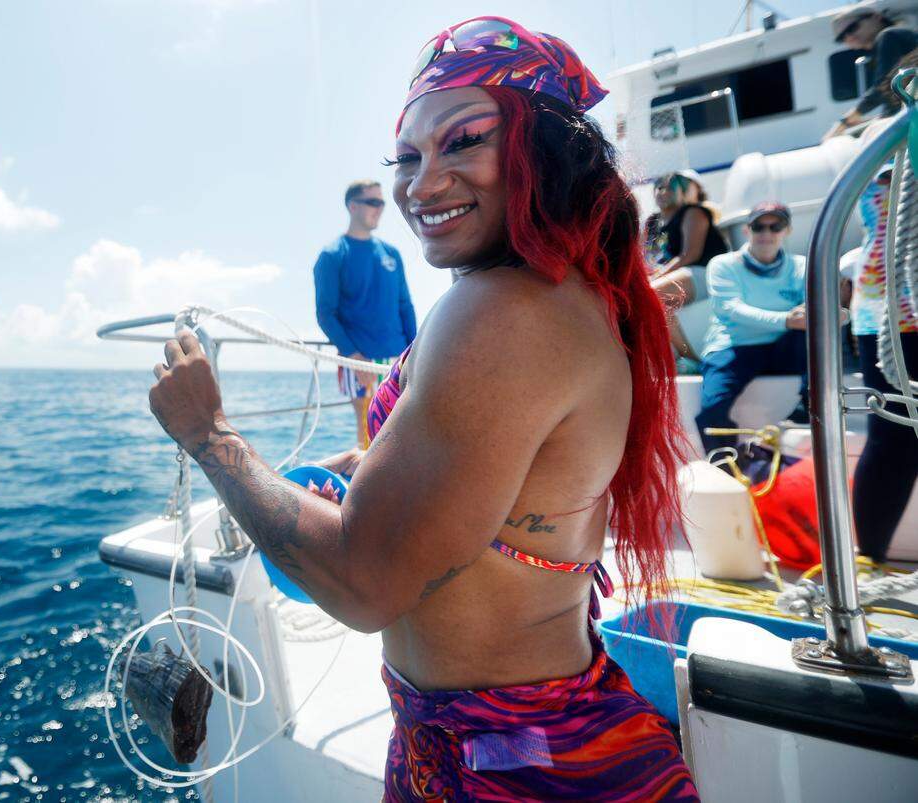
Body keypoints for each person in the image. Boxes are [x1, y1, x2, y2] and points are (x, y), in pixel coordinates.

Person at [149, 16, 697, 801]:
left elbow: (364, 583)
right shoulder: (556, 295)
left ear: (541, 149)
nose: (421, 183)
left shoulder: (503, 313)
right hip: (524, 732)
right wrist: (374, 462)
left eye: (463, 142)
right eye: (407, 157)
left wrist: (208, 434)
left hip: (510, 764)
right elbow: (501, 475)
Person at [848, 137, 918, 564]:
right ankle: (869, 559)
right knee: (894, 439)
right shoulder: (892, 133)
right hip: (895, 312)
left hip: (890, 309)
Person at [695, 202, 810, 454]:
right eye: (759, 226)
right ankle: (726, 467)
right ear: (747, 230)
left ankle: (808, 410)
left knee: (812, 336)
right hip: (733, 347)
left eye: (775, 226)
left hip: (785, 347)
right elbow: (731, 309)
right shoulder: (722, 264)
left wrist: (830, 313)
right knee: (711, 412)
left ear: (787, 230)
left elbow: (820, 310)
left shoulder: (802, 266)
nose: (766, 233)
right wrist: (787, 320)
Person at [314, 180, 417, 448]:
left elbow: (405, 306)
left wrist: (415, 352)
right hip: (359, 361)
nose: (380, 208)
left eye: (381, 202)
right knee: (370, 438)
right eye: (373, 202)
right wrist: (353, 356)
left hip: (399, 359)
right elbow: (325, 313)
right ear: (353, 206)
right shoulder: (332, 255)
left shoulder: (391, 253)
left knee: (406, 431)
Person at [649, 171, 729, 362]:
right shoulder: (652, 222)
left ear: (683, 192)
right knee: (645, 300)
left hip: (705, 272)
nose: (662, 192)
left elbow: (689, 255)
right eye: (658, 187)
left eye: (670, 188)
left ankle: (691, 359)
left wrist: (653, 279)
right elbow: (648, 260)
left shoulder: (693, 213)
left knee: (652, 295)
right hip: (677, 275)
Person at [824, 6, 918, 140]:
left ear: (876, 17)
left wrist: (845, 121)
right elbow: (896, 96)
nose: (849, 37)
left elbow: (884, 86)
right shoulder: (897, 39)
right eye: (841, 38)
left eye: (851, 28)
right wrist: (872, 120)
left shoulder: (890, 36)